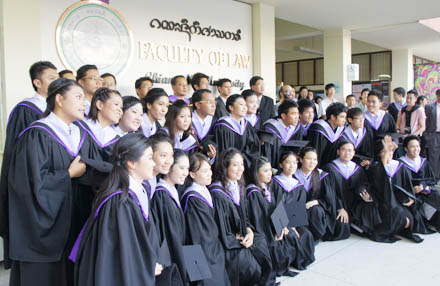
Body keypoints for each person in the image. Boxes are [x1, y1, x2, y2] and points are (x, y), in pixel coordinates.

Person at [71, 133, 183, 286]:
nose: (153, 163)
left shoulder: (137, 192)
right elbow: (121, 252)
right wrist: (146, 266)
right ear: (131, 163)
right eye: (150, 158)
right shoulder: (119, 201)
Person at [6, 78, 88, 286]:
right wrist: (67, 175)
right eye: (78, 97)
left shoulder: (78, 133)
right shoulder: (37, 134)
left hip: (71, 227)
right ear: (59, 99)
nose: (84, 103)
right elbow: (29, 184)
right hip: (45, 233)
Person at [0, 62, 59, 262]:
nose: (57, 80)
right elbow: (19, 155)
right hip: (34, 181)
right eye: (51, 78)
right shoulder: (26, 110)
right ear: (37, 82)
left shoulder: (58, 114)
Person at [208, 148, 272, 286]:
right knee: (248, 263)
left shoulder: (238, 187)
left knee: (261, 241)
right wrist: (240, 239)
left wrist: (249, 231)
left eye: (242, 164)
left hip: (242, 235)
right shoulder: (217, 193)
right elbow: (222, 229)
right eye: (235, 165)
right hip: (228, 242)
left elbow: (245, 218)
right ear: (225, 166)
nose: (240, 169)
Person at [367, 136, 430, 243]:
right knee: (402, 221)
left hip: (399, 202)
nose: (389, 153)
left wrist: (411, 198)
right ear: (379, 154)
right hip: (383, 204)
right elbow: (381, 188)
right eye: (385, 151)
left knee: (409, 221)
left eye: (391, 151)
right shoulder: (375, 167)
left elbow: (407, 186)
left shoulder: (399, 166)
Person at [246, 157, 298, 284]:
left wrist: (282, 226)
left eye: (270, 170)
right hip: (264, 232)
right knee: (276, 244)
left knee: (291, 235)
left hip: (273, 227)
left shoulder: (268, 187)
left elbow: (276, 210)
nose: (270, 173)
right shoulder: (253, 192)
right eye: (265, 171)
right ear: (256, 173)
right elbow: (258, 219)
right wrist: (274, 233)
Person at [181, 153, 230, 286]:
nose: (209, 174)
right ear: (192, 174)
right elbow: (200, 234)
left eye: (209, 169)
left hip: (209, 248)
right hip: (202, 253)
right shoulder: (193, 197)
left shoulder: (203, 190)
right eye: (204, 171)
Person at [323, 141, 381, 236]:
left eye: (350, 150)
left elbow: (364, 184)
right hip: (336, 205)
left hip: (354, 205)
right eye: (344, 150)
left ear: (354, 153)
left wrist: (365, 195)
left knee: (370, 204)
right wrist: (339, 207)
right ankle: (352, 224)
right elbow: (329, 191)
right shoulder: (330, 168)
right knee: (341, 230)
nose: (347, 153)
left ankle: (355, 223)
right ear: (338, 152)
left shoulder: (357, 168)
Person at [295, 147, 350, 241]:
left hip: (317, 211)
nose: (312, 162)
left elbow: (329, 197)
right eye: (308, 159)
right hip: (298, 212)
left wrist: (316, 202)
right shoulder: (293, 176)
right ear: (300, 159)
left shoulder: (322, 176)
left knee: (340, 224)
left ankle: (317, 234)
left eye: (315, 159)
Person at [272, 152, 315, 269]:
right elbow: (273, 206)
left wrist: (294, 226)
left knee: (306, 234)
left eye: (294, 163)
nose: (292, 166)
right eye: (288, 162)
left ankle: (299, 260)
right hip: (277, 222)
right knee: (290, 235)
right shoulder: (274, 183)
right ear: (281, 165)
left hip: (293, 221)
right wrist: (283, 225)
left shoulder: (298, 185)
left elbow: (299, 206)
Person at [151, 150, 190, 284]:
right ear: (170, 168)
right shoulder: (161, 195)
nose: (185, 173)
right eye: (182, 168)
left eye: (187, 169)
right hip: (171, 258)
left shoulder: (173, 192)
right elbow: (169, 236)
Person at [399, 135, 440, 231]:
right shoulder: (400, 164)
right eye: (413, 146)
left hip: (425, 192)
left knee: (437, 195)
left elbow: (431, 180)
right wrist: (412, 190)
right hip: (410, 194)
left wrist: (424, 186)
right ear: (405, 149)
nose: (416, 149)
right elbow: (399, 184)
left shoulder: (423, 162)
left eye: (418, 146)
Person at [214, 94, 260, 168]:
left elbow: (253, 148)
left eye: (245, 105)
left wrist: (242, 159)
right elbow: (222, 150)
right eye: (241, 104)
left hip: (245, 166)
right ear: (231, 107)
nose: (245, 108)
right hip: (228, 167)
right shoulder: (223, 126)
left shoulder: (247, 125)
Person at [263, 100, 303, 168]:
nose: (297, 117)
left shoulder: (297, 127)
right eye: (293, 114)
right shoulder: (270, 128)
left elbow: (297, 148)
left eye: (297, 113)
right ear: (283, 116)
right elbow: (267, 153)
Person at [307, 102, 347, 167]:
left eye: (345, 117)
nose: (344, 120)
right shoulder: (318, 128)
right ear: (333, 117)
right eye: (342, 117)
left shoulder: (340, 130)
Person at [144, 133, 174, 201]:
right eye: (163, 155)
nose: (168, 161)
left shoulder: (154, 178)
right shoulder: (142, 182)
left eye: (171, 155)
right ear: (150, 155)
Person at [191, 89, 217, 160]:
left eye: (214, 102)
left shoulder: (215, 122)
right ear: (198, 105)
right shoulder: (187, 121)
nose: (213, 106)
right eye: (210, 102)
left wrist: (211, 156)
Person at [424, 89, 440, 180]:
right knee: (434, 158)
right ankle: (435, 178)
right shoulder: (429, 107)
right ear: (437, 95)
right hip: (434, 135)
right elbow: (425, 121)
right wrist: (427, 135)